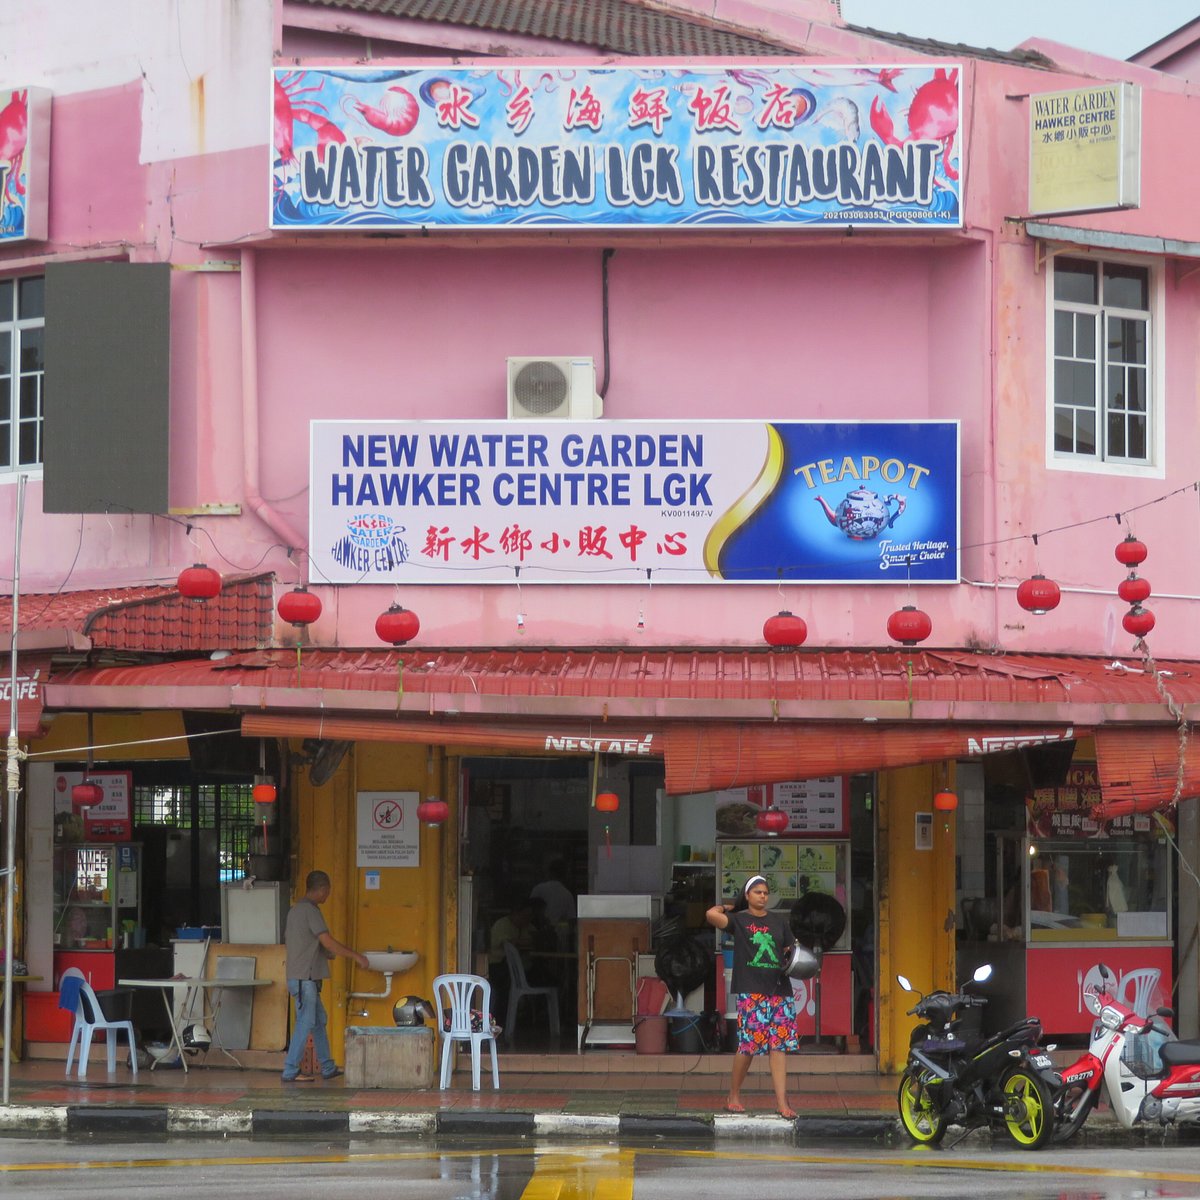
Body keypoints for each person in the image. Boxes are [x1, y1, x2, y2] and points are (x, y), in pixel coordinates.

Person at [706, 874, 799, 1118]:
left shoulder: (779, 922)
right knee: (748, 1046)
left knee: (778, 1047)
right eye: (757, 892)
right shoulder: (738, 920)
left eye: (766, 892)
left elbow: (790, 950)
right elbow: (710, 915)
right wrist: (730, 906)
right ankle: (733, 1095)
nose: (762, 896)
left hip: (780, 990)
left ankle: (782, 1103)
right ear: (747, 895)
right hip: (751, 990)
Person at [281, 869, 369, 1083]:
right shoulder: (311, 911)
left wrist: (324, 953)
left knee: (319, 1021)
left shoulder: (295, 911)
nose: (328, 895)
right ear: (321, 889)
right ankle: (290, 1070)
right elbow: (327, 941)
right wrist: (357, 957)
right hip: (305, 979)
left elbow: (308, 943)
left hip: (302, 977)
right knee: (305, 1021)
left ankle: (327, 1066)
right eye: (328, 891)